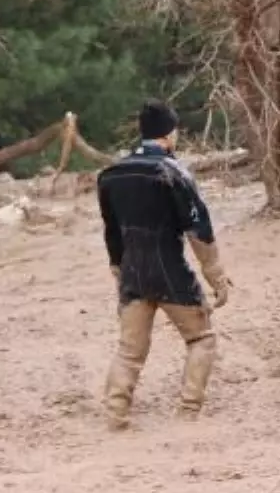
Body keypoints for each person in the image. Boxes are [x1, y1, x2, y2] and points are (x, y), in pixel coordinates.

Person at [98, 100, 231, 431]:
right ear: (170, 135)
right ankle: (188, 412)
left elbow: (111, 232)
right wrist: (215, 275)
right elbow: (198, 229)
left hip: (132, 272)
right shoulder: (174, 173)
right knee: (201, 339)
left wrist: (119, 271)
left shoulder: (111, 175)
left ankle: (115, 414)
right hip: (170, 269)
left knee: (130, 352)